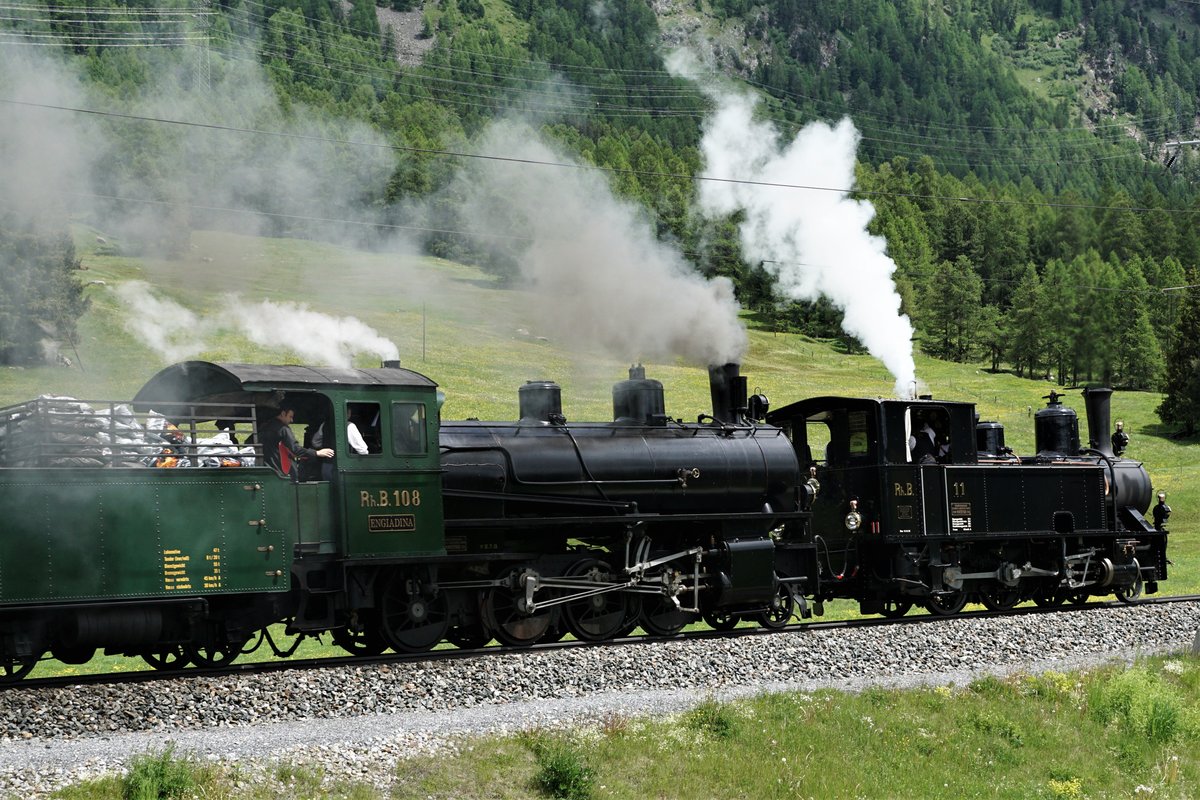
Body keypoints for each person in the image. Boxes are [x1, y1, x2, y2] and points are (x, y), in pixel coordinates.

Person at [257, 399, 333, 479]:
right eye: (290, 416)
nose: (291, 420)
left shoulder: (264, 427)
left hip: (267, 470)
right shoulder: (283, 429)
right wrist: (317, 453)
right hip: (282, 473)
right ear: (283, 414)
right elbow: (296, 449)